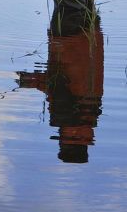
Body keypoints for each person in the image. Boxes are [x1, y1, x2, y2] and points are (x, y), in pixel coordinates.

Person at [16, 16, 105, 163]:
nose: (60, 133)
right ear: (71, 136)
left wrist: (33, 81)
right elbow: (59, 83)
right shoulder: (68, 114)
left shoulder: (91, 113)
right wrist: (31, 81)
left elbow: (61, 84)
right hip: (69, 35)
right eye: (62, 139)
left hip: (88, 32)